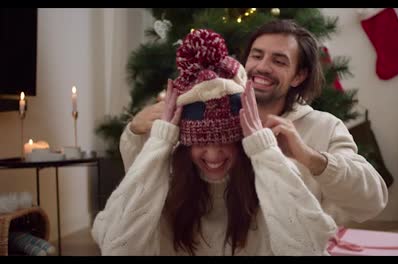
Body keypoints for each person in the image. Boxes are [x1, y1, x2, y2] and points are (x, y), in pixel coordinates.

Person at [92, 29, 338, 256]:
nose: (212, 155)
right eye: (200, 142)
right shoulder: (163, 180)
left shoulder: (271, 177)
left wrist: (264, 150)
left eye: (224, 142)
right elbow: (117, 247)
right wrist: (159, 142)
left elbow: (309, 247)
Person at [121, 19, 388, 227]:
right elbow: (142, 180)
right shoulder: (201, 114)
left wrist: (308, 157)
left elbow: (371, 201)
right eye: (256, 55)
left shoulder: (323, 127)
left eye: (279, 60)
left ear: (299, 76)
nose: (262, 67)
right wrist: (136, 130)